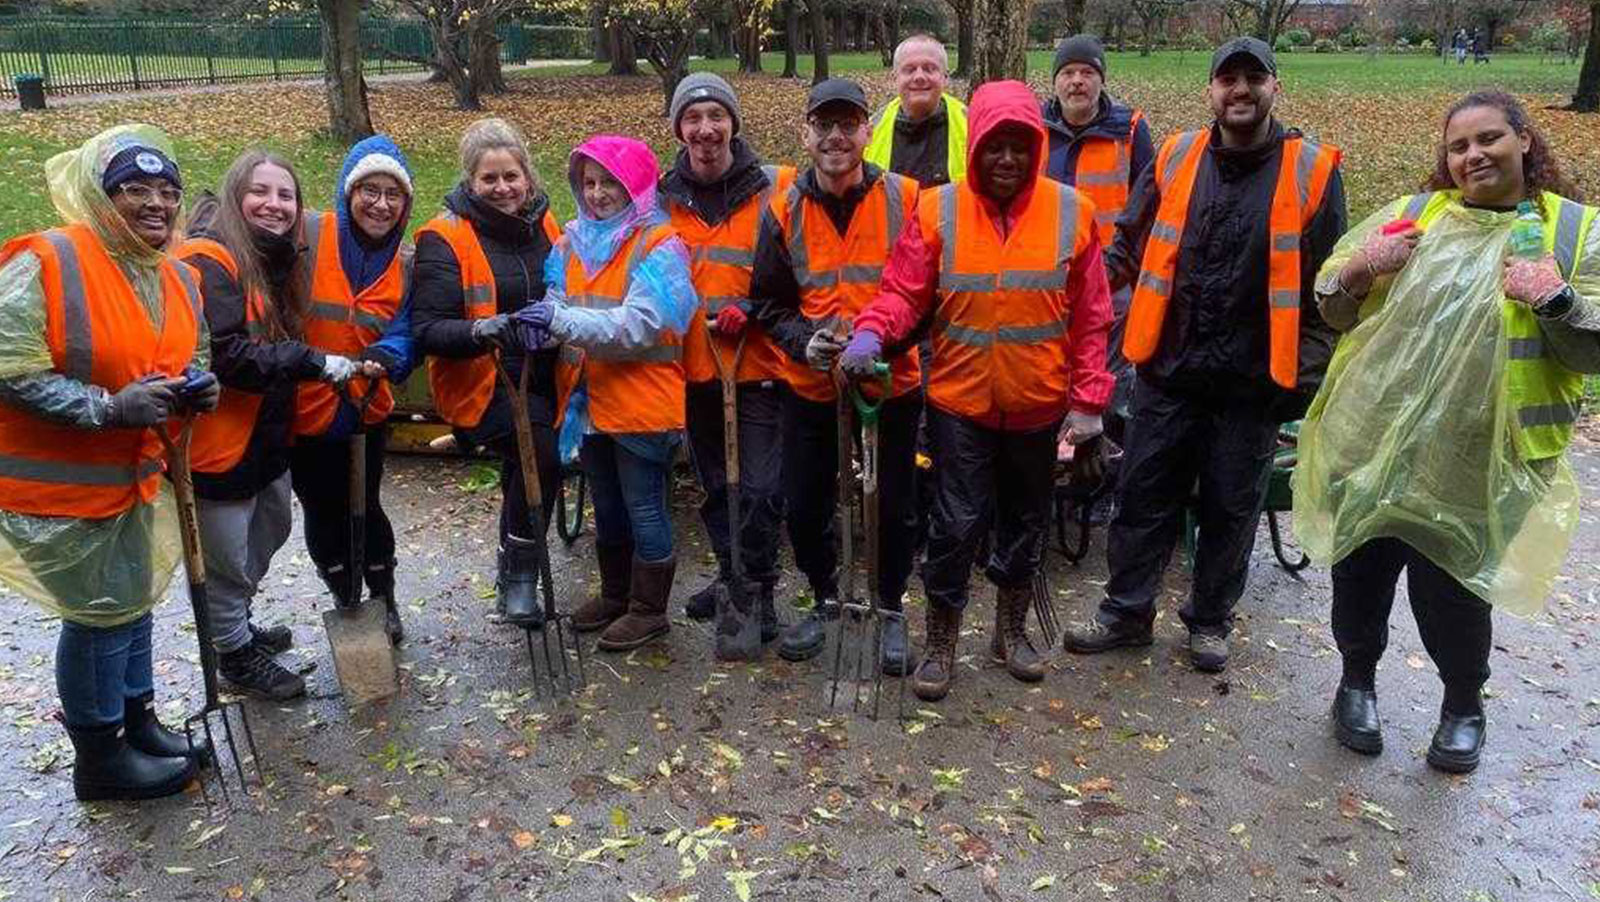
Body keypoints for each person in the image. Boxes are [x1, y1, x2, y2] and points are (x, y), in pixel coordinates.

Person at [1298, 91, 1600, 774]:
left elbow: (1592, 350)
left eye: (1489, 138)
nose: (1473, 155)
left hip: (1482, 457)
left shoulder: (1577, 231)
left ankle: (1463, 704)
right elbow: (1332, 304)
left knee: (1455, 589)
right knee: (1361, 571)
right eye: (1458, 146)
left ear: (1525, 140)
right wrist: (1361, 266)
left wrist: (1556, 299)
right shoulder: (1416, 214)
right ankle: (1355, 684)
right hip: (1375, 441)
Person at [1061, 37, 1347, 672]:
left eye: (1254, 79)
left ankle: (1210, 620)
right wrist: (1074, 295)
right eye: (1228, 80)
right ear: (1210, 90)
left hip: (1253, 381)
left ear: (1275, 87)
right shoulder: (1176, 155)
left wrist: (1299, 379)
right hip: (1168, 369)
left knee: (1230, 506)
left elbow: (1328, 286)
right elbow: (1128, 244)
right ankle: (1126, 612)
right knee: (1142, 496)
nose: (1240, 90)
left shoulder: (1312, 170)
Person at [848, 80, 1115, 701]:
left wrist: (1089, 403)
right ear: (976, 149)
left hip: (1038, 406)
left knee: (1026, 522)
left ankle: (1010, 631)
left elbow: (1092, 317)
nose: (1007, 159)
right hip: (960, 404)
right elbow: (903, 292)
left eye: (1020, 147)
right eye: (995, 146)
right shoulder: (938, 209)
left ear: (1037, 148)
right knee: (955, 524)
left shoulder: (1072, 211)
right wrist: (870, 333)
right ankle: (941, 640)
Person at [0, 124, 216, 800]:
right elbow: (9, 365)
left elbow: (191, 355)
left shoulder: (174, 274)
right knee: (99, 617)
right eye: (135, 189)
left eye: (168, 192)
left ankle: (136, 723)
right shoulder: (50, 259)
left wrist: (197, 387)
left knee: (131, 604)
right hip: (55, 489)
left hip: (133, 480)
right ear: (102, 195)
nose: (156, 204)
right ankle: (99, 757)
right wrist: (105, 408)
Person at [751, 78, 923, 675]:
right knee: (804, 503)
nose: (835, 137)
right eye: (824, 126)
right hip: (811, 385)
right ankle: (825, 596)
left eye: (847, 125)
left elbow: (925, 295)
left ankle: (890, 606)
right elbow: (768, 302)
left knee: (894, 503)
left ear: (867, 132)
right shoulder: (783, 208)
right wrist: (807, 342)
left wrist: (882, 343)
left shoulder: (907, 198)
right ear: (806, 134)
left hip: (889, 381)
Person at [178, 150, 361, 701]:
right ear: (236, 197)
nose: (274, 204)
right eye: (260, 191)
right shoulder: (209, 259)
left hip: (263, 437)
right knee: (226, 556)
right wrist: (309, 361)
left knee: (268, 530)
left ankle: (235, 623)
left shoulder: (272, 258)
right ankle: (232, 652)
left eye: (286, 195)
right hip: (218, 446)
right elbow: (226, 355)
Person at [526, 135, 698, 652]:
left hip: (644, 402)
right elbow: (557, 300)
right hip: (589, 401)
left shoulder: (660, 245)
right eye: (589, 183)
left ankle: (649, 609)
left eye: (611, 183)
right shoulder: (571, 243)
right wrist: (539, 326)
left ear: (636, 188)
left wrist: (560, 321)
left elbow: (639, 325)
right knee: (605, 503)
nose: (597, 193)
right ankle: (616, 594)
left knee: (643, 507)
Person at [659, 73, 796, 657]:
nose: (705, 129)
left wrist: (757, 308)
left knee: (760, 488)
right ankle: (731, 575)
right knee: (717, 487)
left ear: (734, 123)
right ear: (679, 129)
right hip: (695, 368)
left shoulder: (777, 185)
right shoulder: (661, 199)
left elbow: (801, 269)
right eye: (692, 118)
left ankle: (758, 585)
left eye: (716, 115)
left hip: (760, 365)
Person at [412, 118, 563, 629]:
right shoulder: (445, 237)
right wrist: (481, 330)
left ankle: (511, 567)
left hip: (547, 373)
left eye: (511, 176)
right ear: (470, 181)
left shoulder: (546, 223)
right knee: (540, 454)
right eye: (489, 179)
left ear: (528, 177)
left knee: (536, 453)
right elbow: (428, 329)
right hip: (483, 379)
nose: (502, 189)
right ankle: (520, 578)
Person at [289, 135, 417, 646]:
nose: (381, 204)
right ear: (349, 192)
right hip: (305, 402)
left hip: (365, 403)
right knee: (321, 506)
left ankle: (383, 596)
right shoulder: (307, 234)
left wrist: (389, 354)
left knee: (366, 501)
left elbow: (408, 325)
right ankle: (345, 595)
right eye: (370, 190)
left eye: (393, 194)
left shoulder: (406, 262)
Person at [1042, 34, 1157, 518]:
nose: (1077, 81)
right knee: (1052, 385)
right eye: (1068, 73)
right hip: (1047, 286)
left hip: (1113, 286)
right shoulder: (1036, 128)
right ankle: (1054, 479)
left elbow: (1148, 207)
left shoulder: (1129, 129)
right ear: (1055, 82)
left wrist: (1122, 272)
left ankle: (1101, 485)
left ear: (1101, 80)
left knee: (1110, 388)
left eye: (1087, 73)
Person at [864, 34, 969, 189]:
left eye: (929, 69)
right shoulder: (870, 130)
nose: (919, 77)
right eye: (909, 70)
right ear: (894, 79)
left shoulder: (971, 125)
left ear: (945, 78)